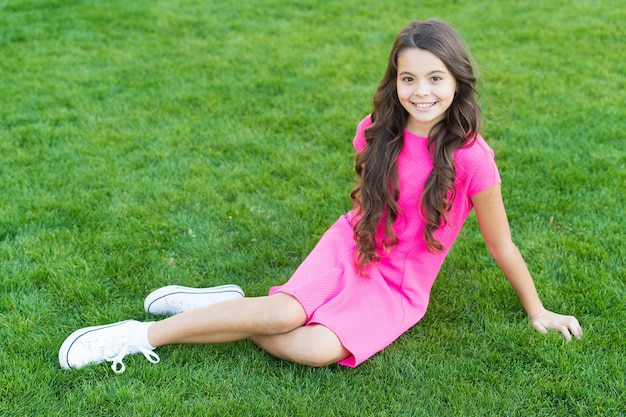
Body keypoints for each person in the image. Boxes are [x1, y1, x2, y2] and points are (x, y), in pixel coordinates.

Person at [59, 19, 583, 374]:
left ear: (457, 82)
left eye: (435, 78)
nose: (421, 91)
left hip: (399, 286)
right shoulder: (377, 129)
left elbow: (503, 246)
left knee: (312, 347)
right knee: (285, 315)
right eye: (408, 78)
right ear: (394, 80)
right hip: (352, 245)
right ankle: (140, 335)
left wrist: (537, 311)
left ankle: (235, 307)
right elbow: (371, 203)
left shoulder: (473, 158)